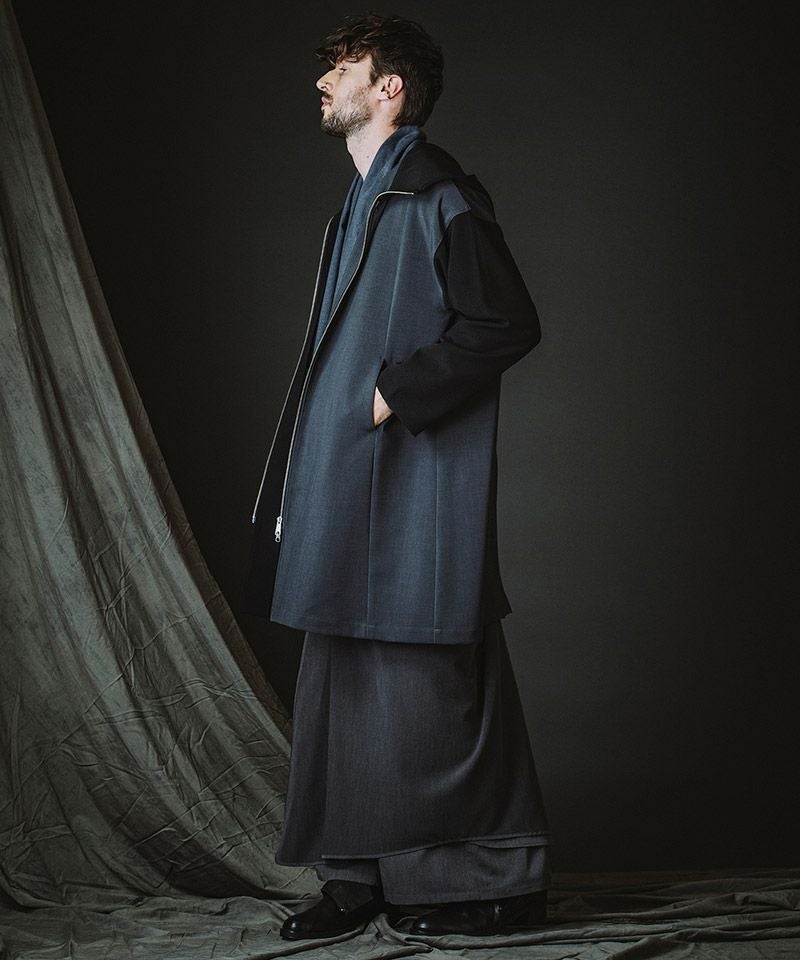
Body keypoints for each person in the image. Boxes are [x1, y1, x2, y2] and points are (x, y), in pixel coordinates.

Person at [242, 12, 551, 940]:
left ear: (391, 88)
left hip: (413, 488)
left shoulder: (438, 192)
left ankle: (496, 879)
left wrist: (393, 395)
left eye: (343, 67)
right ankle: (356, 877)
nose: (324, 80)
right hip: (348, 485)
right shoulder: (364, 200)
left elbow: (505, 322)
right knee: (340, 672)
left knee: (432, 681)